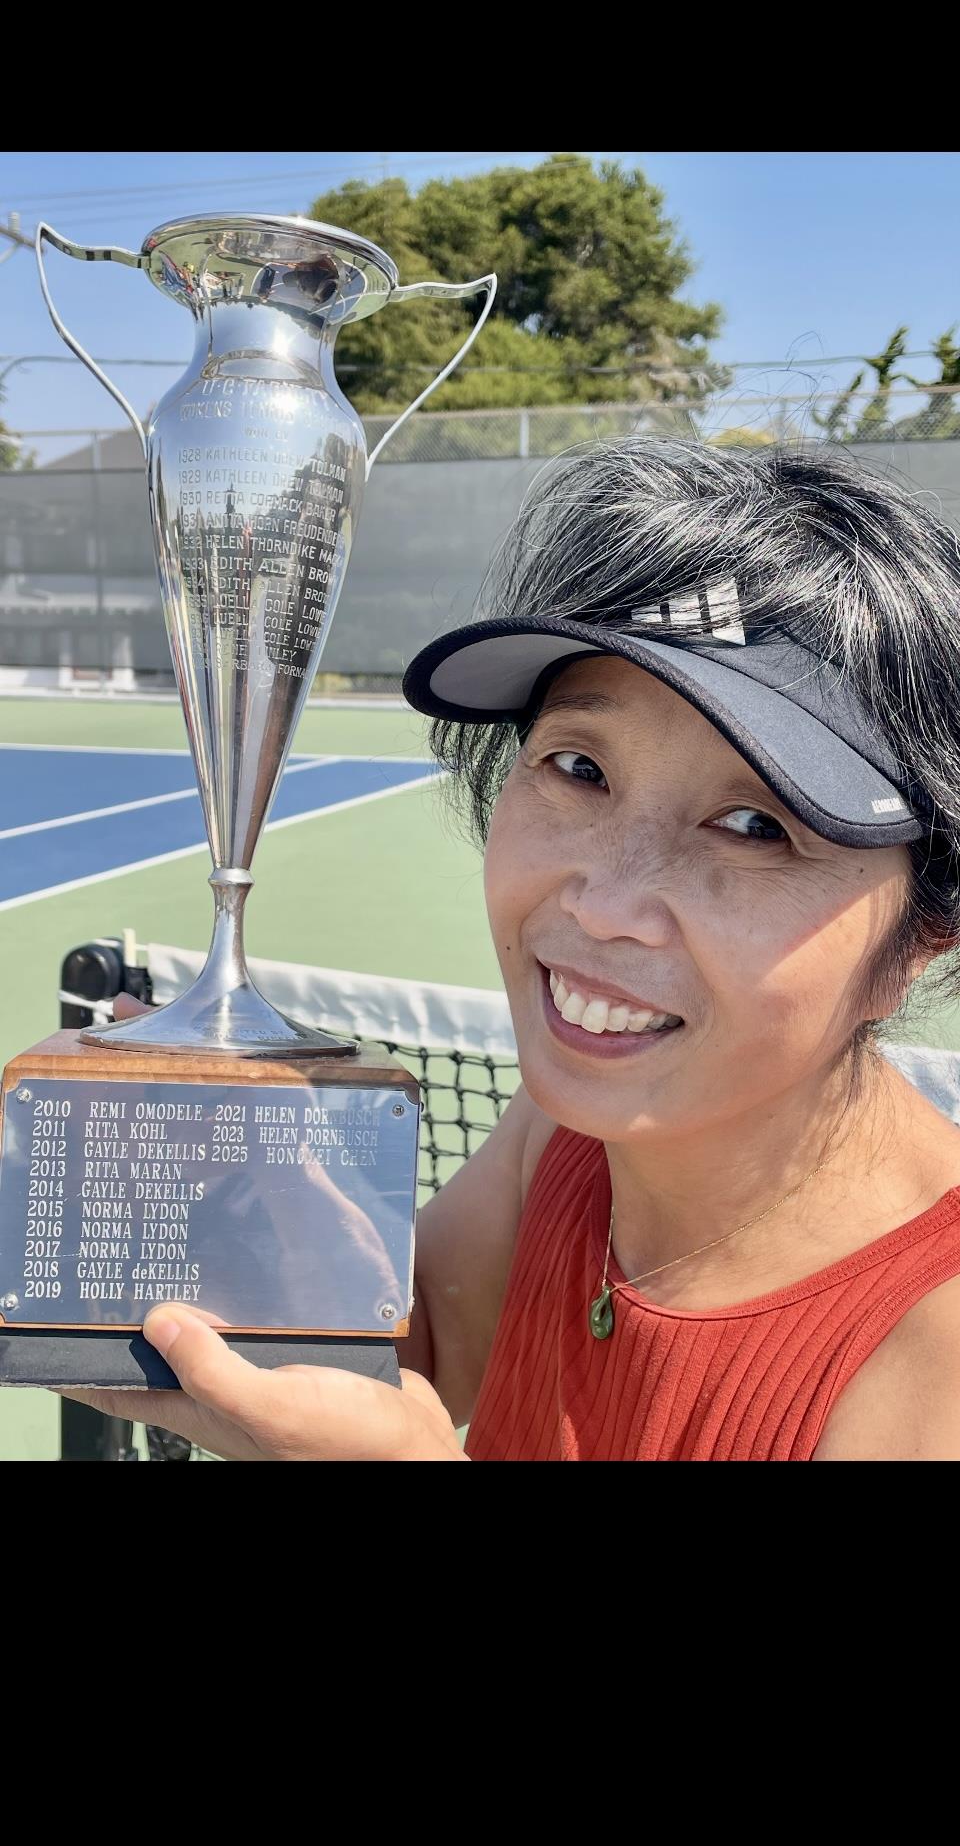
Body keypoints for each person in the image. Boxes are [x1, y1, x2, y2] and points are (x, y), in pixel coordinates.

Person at [70, 439, 960, 1459]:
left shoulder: (937, 1355)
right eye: (579, 766)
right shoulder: (567, 1129)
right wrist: (272, 1191)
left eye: (758, 827)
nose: (607, 903)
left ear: (921, 939)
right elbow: (431, 1344)